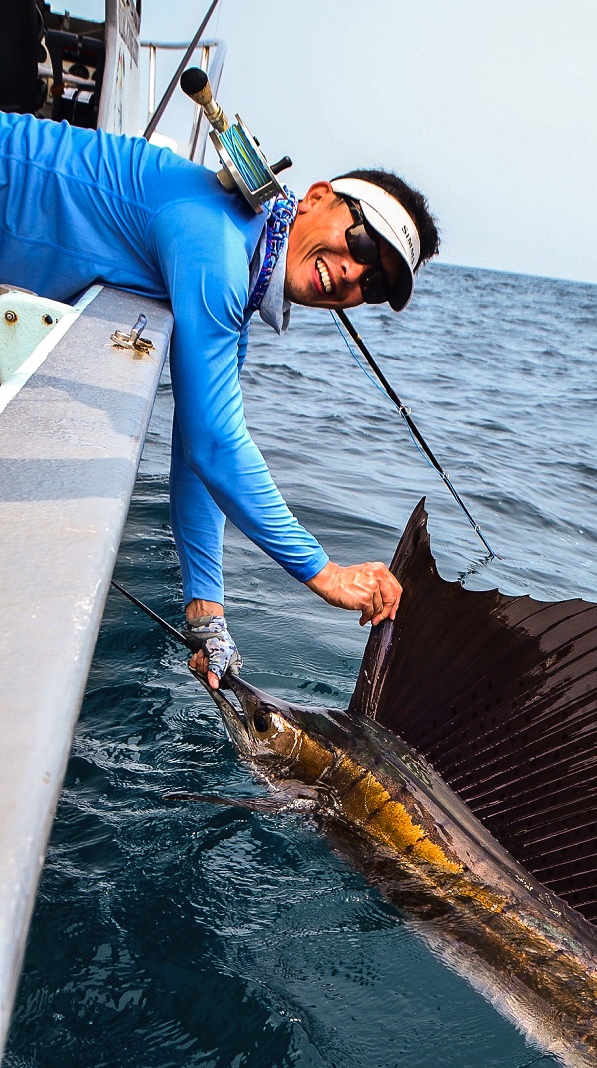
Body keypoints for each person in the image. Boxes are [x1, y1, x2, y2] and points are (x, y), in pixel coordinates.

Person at [0, 109, 440, 686]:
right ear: (314, 198)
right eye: (360, 242)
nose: (354, 272)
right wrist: (325, 572)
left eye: (376, 283)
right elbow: (214, 443)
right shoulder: (218, 249)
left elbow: (193, 443)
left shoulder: (241, 247)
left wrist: (206, 610)